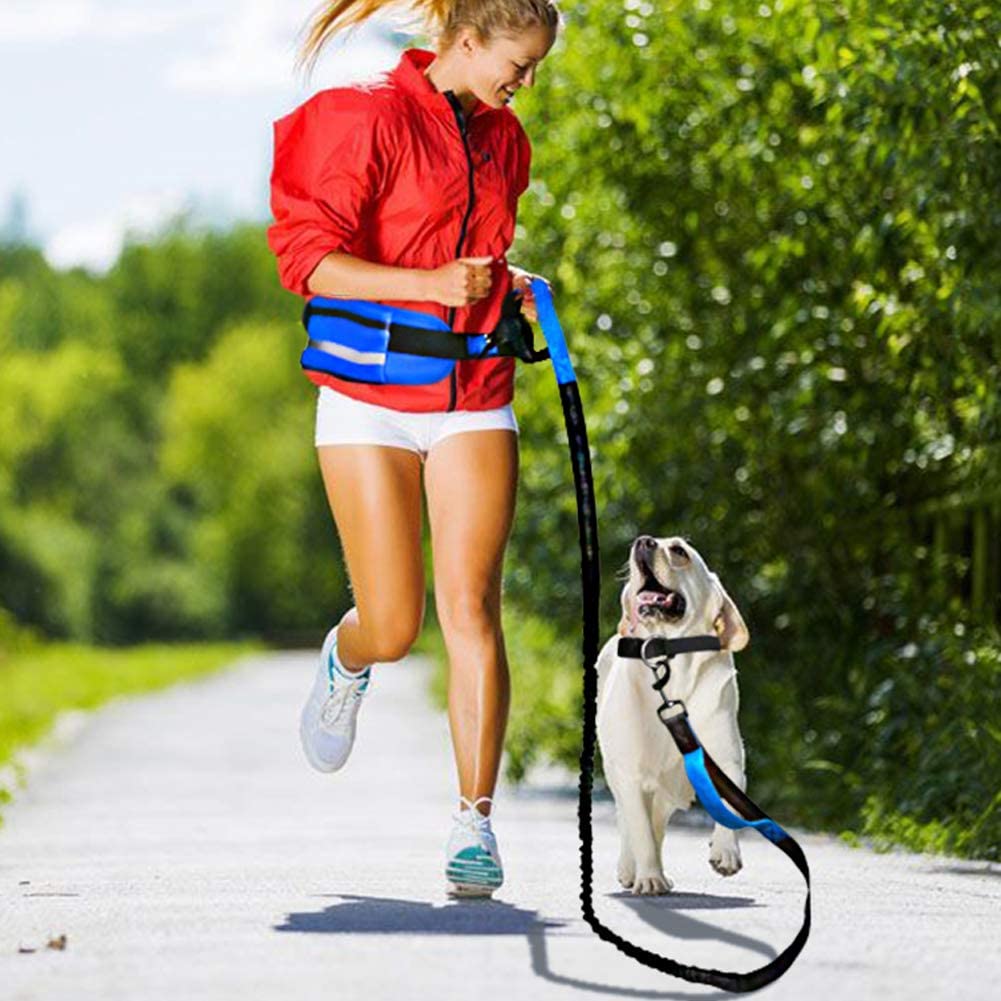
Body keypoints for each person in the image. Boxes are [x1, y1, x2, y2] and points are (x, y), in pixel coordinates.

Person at [266, 0, 561, 898]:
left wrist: (510, 285)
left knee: (470, 606)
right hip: (367, 398)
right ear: (464, 42)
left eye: (536, 66)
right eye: (517, 62)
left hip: (473, 393)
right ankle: (347, 658)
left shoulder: (504, 139)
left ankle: (473, 823)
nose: (526, 82)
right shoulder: (362, 116)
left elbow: (473, 251)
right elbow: (306, 261)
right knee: (395, 625)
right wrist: (429, 284)